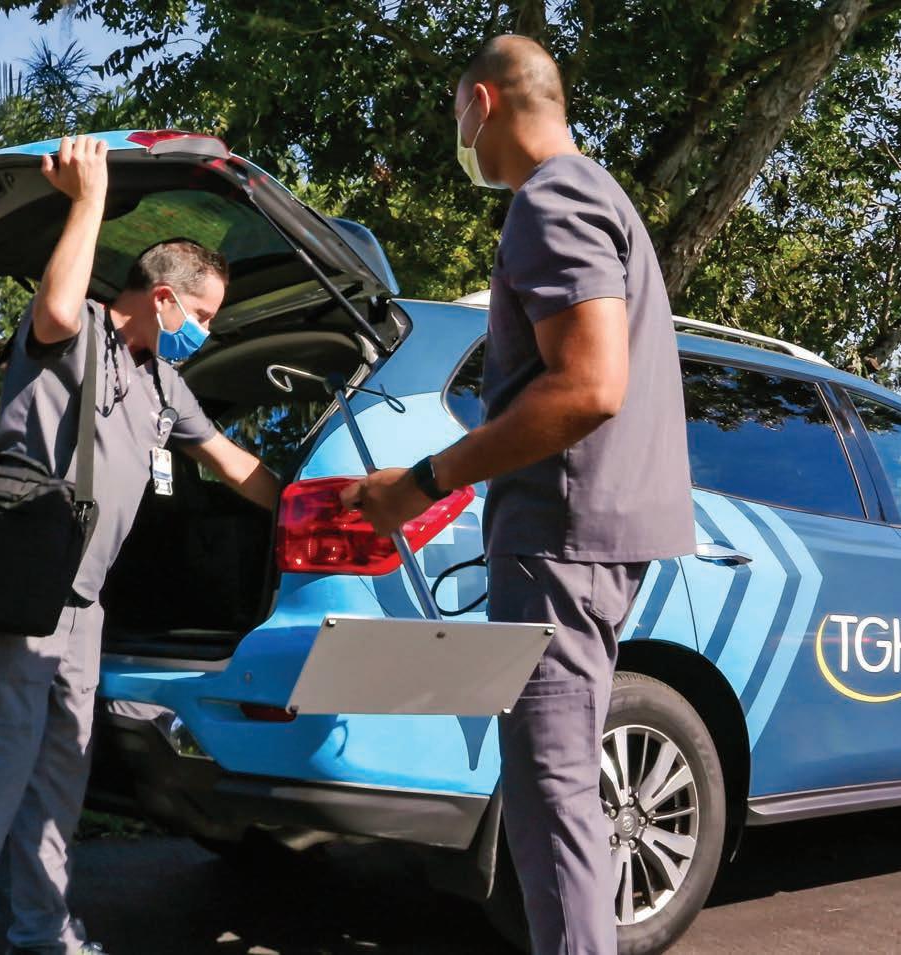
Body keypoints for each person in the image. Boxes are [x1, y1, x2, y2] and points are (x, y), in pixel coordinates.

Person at [344, 35, 694, 955]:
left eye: (455, 113)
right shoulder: (600, 192)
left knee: (551, 792)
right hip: (595, 534)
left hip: (561, 537)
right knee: (560, 785)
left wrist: (422, 482)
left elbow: (589, 386)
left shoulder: (552, 197)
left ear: (483, 103)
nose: (456, 135)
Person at [0, 136, 280, 955]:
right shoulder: (75, 335)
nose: (205, 333)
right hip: (23, 583)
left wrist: (316, 505)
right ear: (163, 298)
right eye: (203, 316)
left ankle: (42, 930)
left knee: (60, 771)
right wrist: (89, 200)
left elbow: (230, 461)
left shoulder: (162, 380)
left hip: (84, 603)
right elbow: (58, 308)